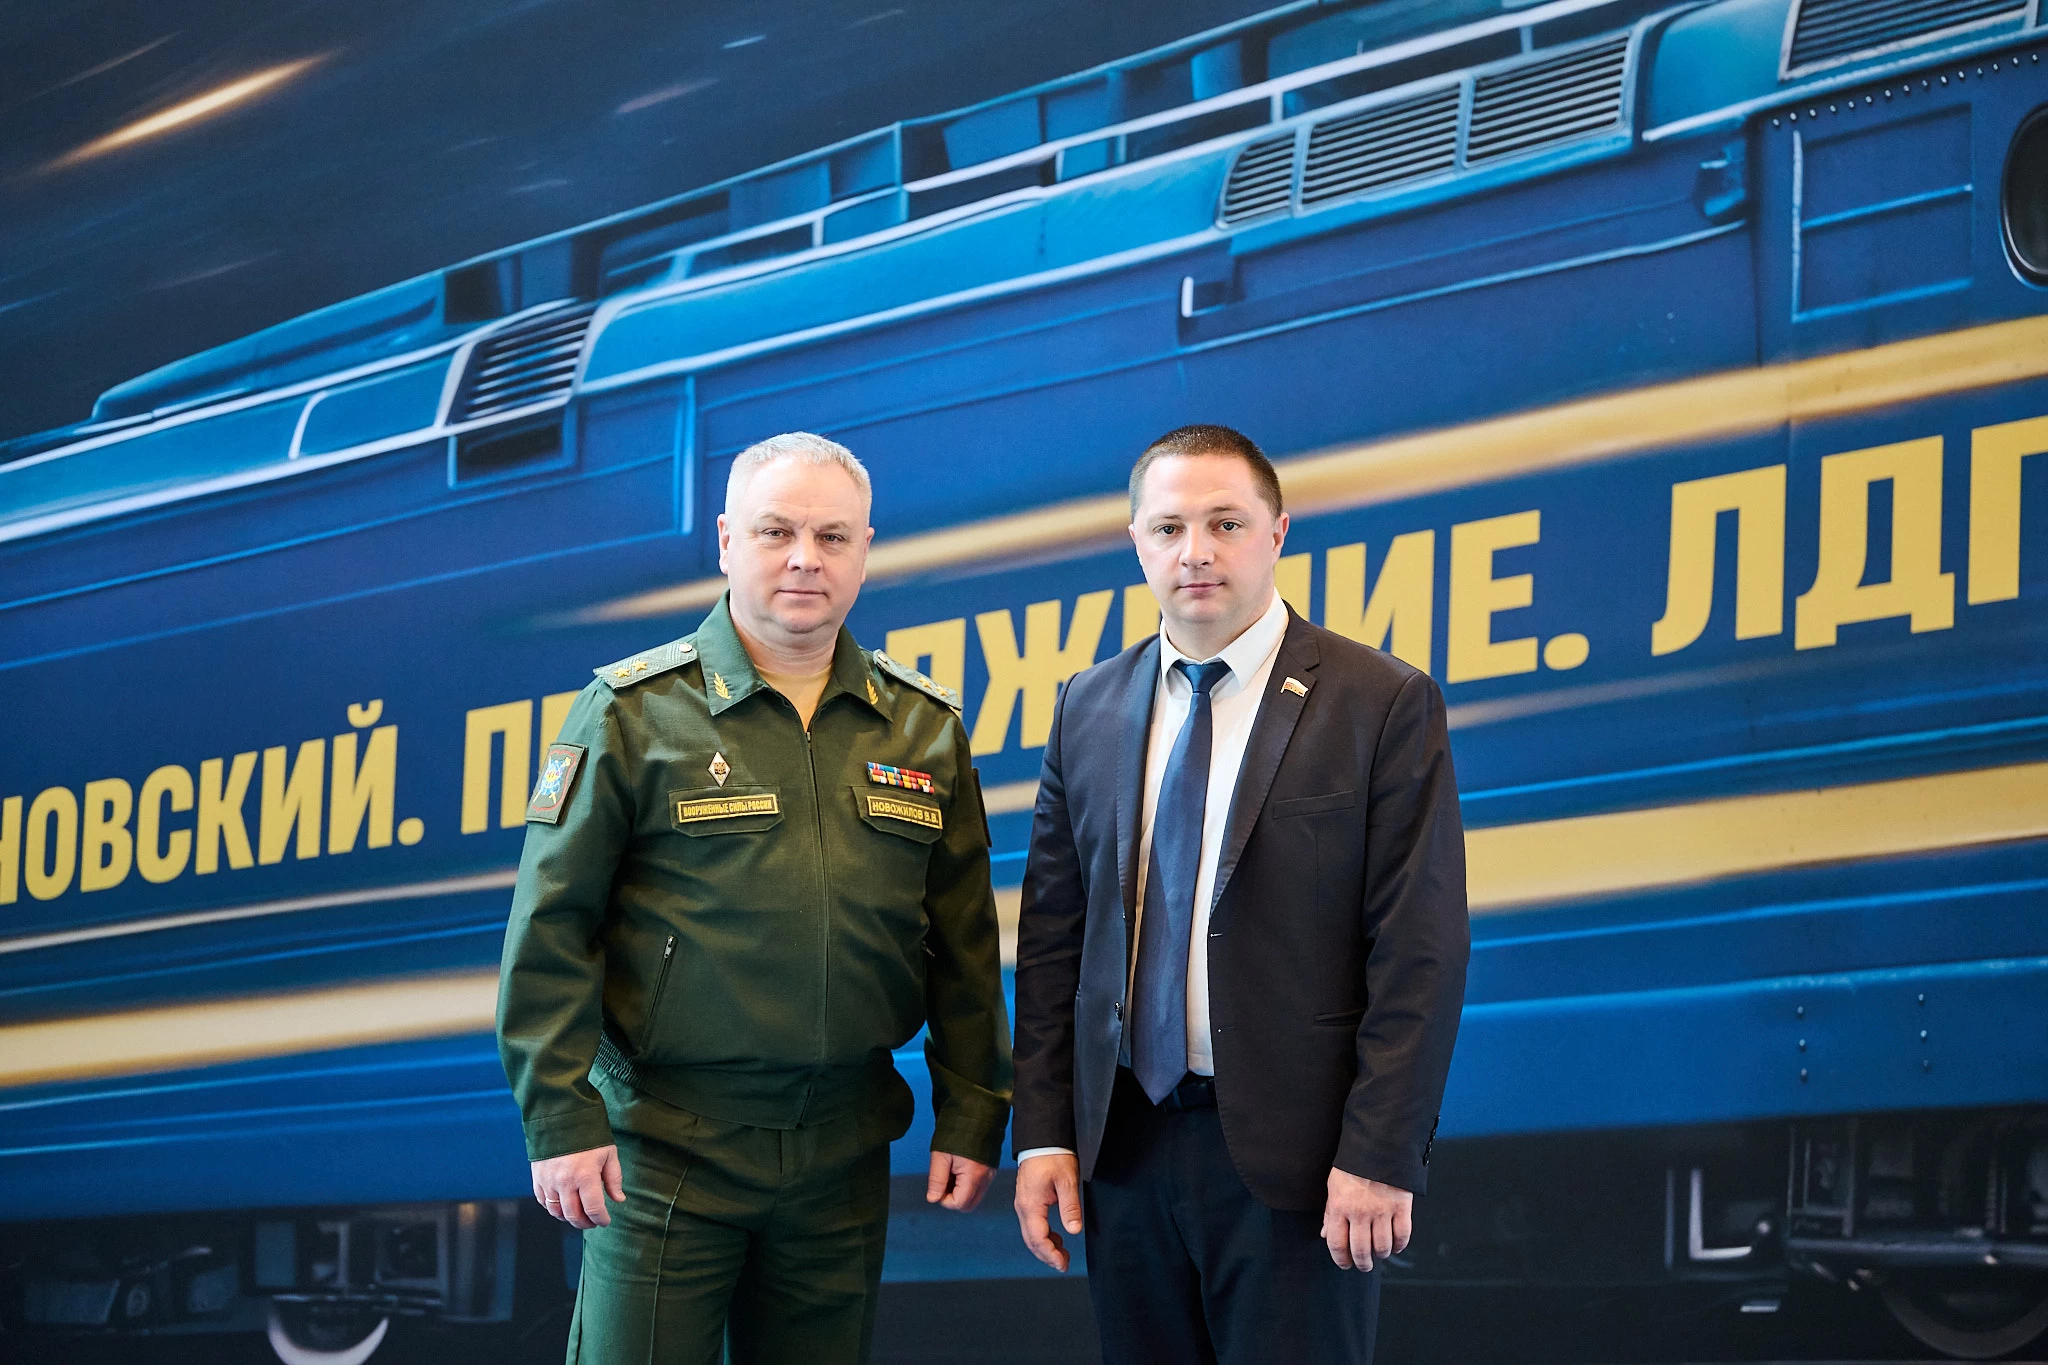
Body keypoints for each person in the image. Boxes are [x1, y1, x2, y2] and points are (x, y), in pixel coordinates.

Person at [497, 431, 1012, 1365]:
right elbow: (551, 928)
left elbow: (964, 943)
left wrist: (973, 1113)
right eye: (777, 531)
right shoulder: (631, 713)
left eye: (833, 536)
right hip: (664, 1146)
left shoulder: (923, 726)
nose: (806, 558)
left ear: (865, 551)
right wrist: (560, 1117)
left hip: (843, 1152)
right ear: (728, 541)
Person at [1009, 424, 1469, 1363]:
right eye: (1169, 527)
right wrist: (1044, 1133)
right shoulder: (1086, 705)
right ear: (1137, 542)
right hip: (1124, 1154)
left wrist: (1379, 1153)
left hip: (1302, 1167)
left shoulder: (1380, 701)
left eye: (1226, 523)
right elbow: (1057, 938)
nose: (1197, 551)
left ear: (1278, 532)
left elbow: (1418, 949)